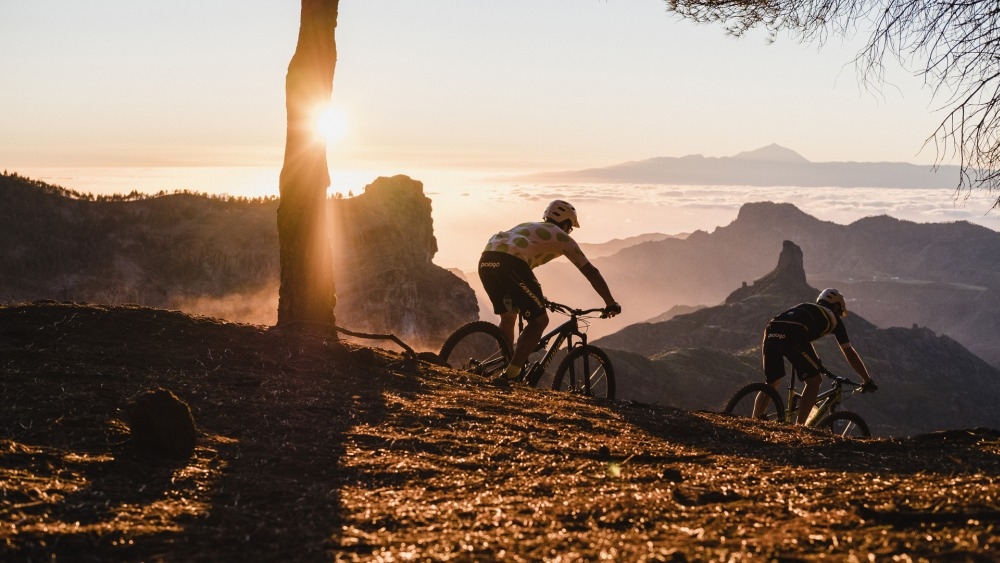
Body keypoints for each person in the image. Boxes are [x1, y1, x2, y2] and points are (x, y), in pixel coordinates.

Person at [478, 199, 621, 382]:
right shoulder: (563, 238)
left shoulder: (528, 225)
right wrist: (610, 303)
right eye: (570, 228)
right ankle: (511, 375)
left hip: (487, 260)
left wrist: (534, 295)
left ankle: (507, 365)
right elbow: (591, 272)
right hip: (511, 263)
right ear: (566, 223)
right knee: (539, 321)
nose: (569, 232)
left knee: (508, 317)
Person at [753, 288, 878, 423]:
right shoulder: (834, 318)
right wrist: (866, 379)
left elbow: (798, 333)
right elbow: (849, 352)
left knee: (772, 382)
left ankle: (753, 420)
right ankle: (799, 427)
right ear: (836, 306)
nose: (839, 314)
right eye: (839, 311)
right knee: (814, 381)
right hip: (794, 334)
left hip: (771, 331)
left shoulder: (805, 306)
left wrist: (815, 361)